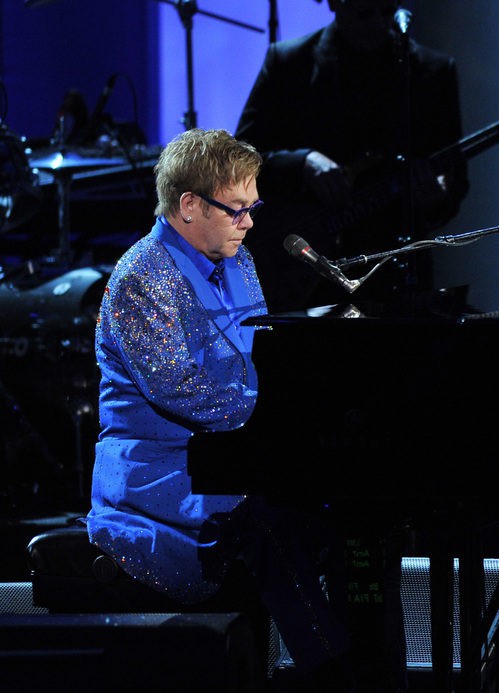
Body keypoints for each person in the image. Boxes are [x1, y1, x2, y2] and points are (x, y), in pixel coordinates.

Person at [84, 128, 371, 691]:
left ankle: (359, 665)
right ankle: (337, 676)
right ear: (189, 205)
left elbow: (256, 357)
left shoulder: (235, 261)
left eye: (253, 207)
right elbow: (184, 390)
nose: (250, 222)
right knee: (270, 518)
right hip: (162, 474)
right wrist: (283, 418)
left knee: (350, 506)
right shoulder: (141, 279)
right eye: (237, 209)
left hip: (231, 452)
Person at [235, 0, 469, 314]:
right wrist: (303, 162)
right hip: (305, 273)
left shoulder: (431, 71)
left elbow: (454, 182)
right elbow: (240, 157)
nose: (377, 23)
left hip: (395, 269)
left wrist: (435, 196)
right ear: (335, 3)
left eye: (386, 11)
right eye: (364, 12)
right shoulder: (290, 62)